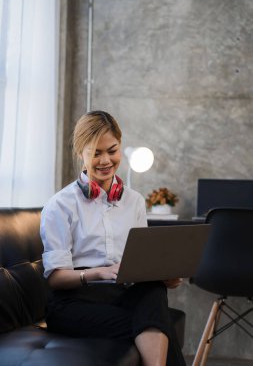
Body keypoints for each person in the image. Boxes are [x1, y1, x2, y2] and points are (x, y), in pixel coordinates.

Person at [40, 110, 186, 366]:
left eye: (112, 150)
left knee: (154, 290)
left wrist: (162, 274)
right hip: (73, 302)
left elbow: (143, 260)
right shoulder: (60, 205)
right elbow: (55, 278)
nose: (105, 160)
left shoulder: (134, 201)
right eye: (96, 153)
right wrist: (98, 273)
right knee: (153, 322)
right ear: (81, 154)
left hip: (119, 294)